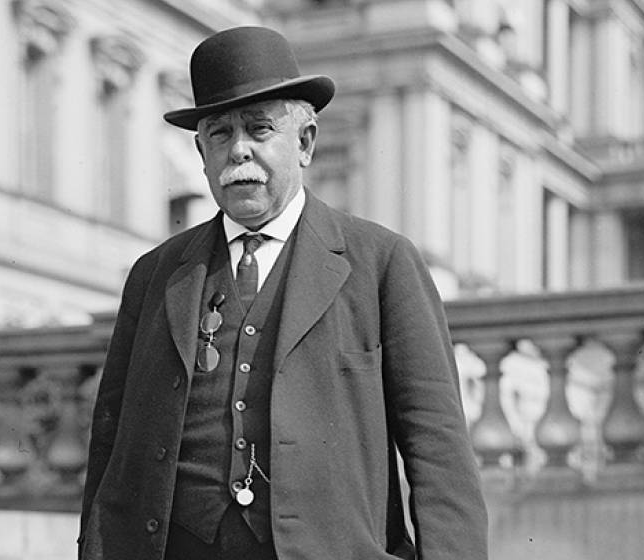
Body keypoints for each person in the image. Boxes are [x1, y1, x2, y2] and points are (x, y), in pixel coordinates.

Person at [78, 25, 487, 560]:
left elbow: (439, 452)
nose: (239, 151)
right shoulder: (156, 274)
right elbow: (110, 443)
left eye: (260, 128)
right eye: (220, 134)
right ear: (201, 153)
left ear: (306, 142)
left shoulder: (380, 263)